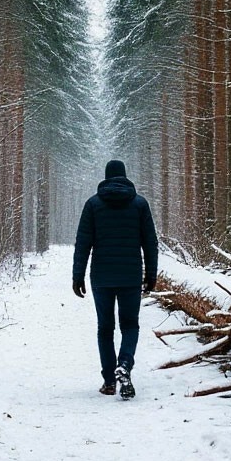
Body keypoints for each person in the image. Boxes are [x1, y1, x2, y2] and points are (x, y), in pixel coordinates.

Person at [72, 159, 159, 399]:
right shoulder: (140, 205)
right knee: (130, 325)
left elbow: (83, 243)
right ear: (124, 175)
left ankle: (110, 381)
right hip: (130, 275)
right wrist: (151, 274)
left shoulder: (93, 205)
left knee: (105, 328)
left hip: (101, 276)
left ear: (107, 176)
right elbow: (150, 243)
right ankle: (125, 364)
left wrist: (77, 275)